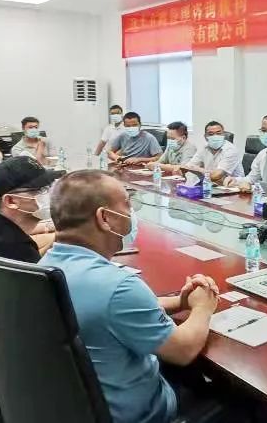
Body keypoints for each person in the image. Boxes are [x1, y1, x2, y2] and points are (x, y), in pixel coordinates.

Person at [40, 170, 221, 423]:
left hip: (75, 407)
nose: (132, 213)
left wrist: (181, 302)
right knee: (237, 398)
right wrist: (203, 307)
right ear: (105, 218)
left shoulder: (46, 267)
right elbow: (183, 350)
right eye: (127, 204)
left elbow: (108, 311)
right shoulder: (118, 287)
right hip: (141, 414)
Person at [0, 156, 62, 262]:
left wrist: (55, 241)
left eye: (48, 186)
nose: (48, 194)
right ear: (10, 201)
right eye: (39, 190)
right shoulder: (18, 249)